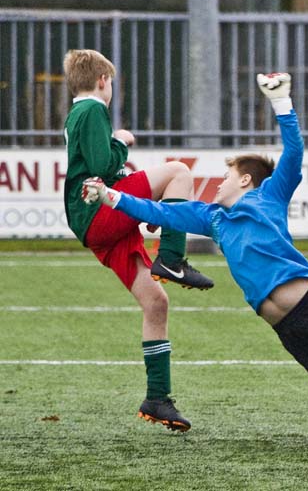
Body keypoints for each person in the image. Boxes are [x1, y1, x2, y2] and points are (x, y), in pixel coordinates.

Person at [82, 72, 308, 407]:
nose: (219, 183)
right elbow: (160, 212)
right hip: (289, 328)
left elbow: (294, 151)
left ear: (246, 179)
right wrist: (110, 197)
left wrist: (281, 101)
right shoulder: (213, 218)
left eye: (226, 176)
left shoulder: (270, 196)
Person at [63, 49, 213, 432]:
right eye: (110, 81)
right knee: (179, 171)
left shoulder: (77, 112)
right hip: (97, 211)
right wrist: (121, 141)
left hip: (94, 219)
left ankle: (157, 398)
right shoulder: (93, 109)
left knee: (155, 302)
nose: (110, 87)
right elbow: (102, 165)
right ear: (102, 81)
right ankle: (173, 257)